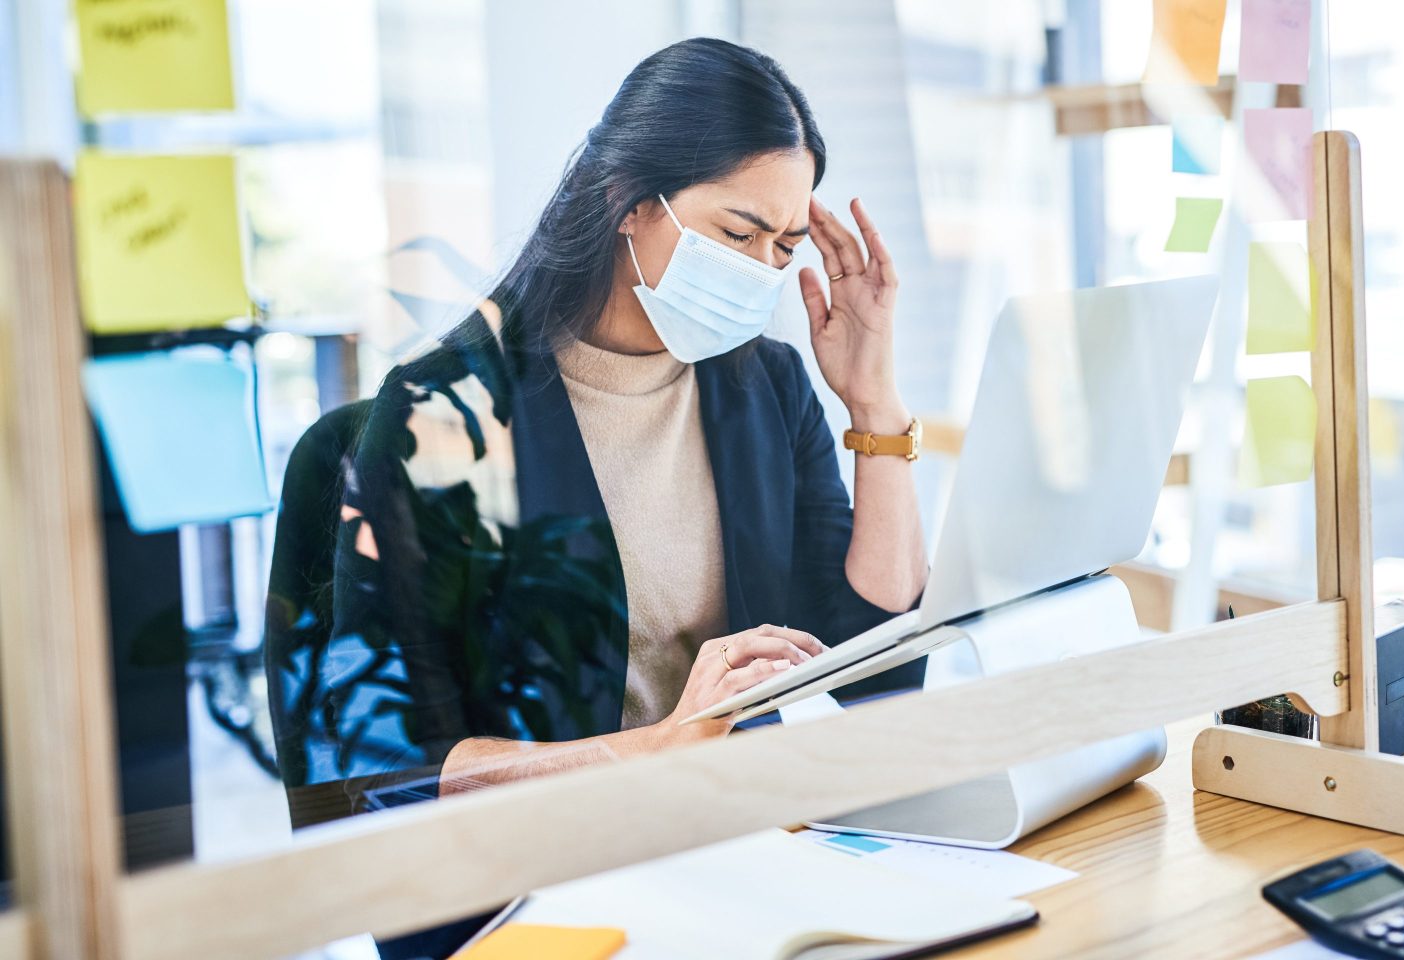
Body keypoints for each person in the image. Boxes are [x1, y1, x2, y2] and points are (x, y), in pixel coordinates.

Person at [265, 35, 928, 959]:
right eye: (737, 233)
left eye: (782, 246)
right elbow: (392, 771)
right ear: (629, 202)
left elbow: (875, 662)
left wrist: (874, 405)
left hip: (739, 853)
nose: (762, 272)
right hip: (544, 894)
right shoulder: (444, 419)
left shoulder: (766, 387)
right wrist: (656, 748)